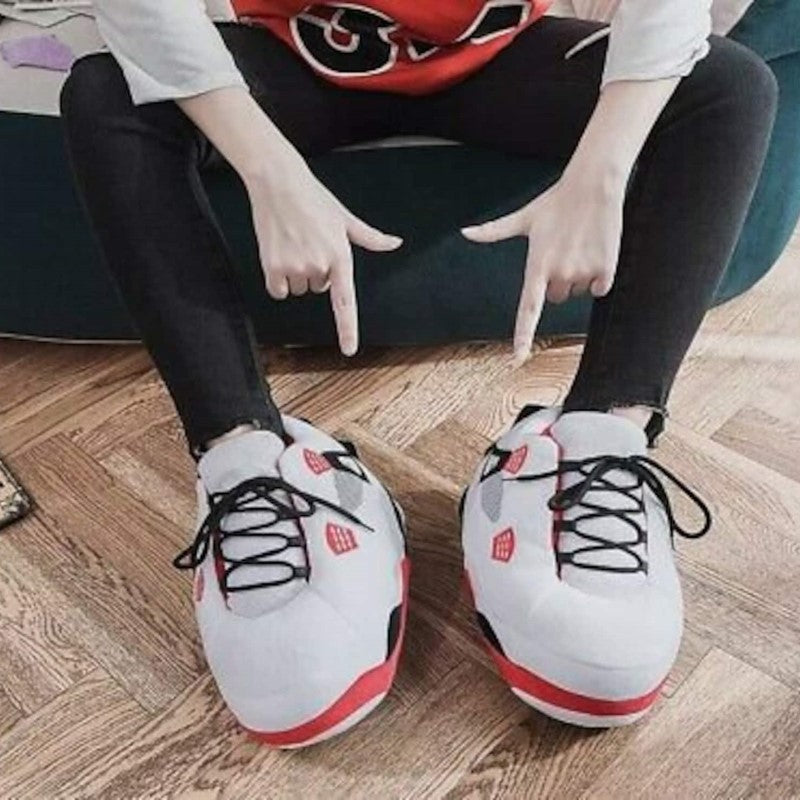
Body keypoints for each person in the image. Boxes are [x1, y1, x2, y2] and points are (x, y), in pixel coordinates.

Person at [58, 0, 777, 745]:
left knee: (728, 88)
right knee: (105, 96)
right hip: (299, 60)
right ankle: (242, 457)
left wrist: (603, 168)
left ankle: (601, 438)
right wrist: (267, 167)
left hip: (496, 56)